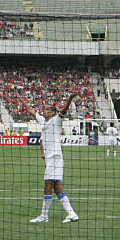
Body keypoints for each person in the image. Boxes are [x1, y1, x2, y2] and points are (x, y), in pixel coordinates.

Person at [17, 91, 80, 223]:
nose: (44, 111)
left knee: (48, 185)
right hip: (51, 159)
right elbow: (30, 110)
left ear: (52, 112)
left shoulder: (56, 120)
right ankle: (71, 214)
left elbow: (63, 110)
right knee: (57, 188)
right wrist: (19, 97)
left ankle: (44, 216)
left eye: (46, 110)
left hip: (55, 157)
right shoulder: (43, 121)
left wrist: (69, 99)